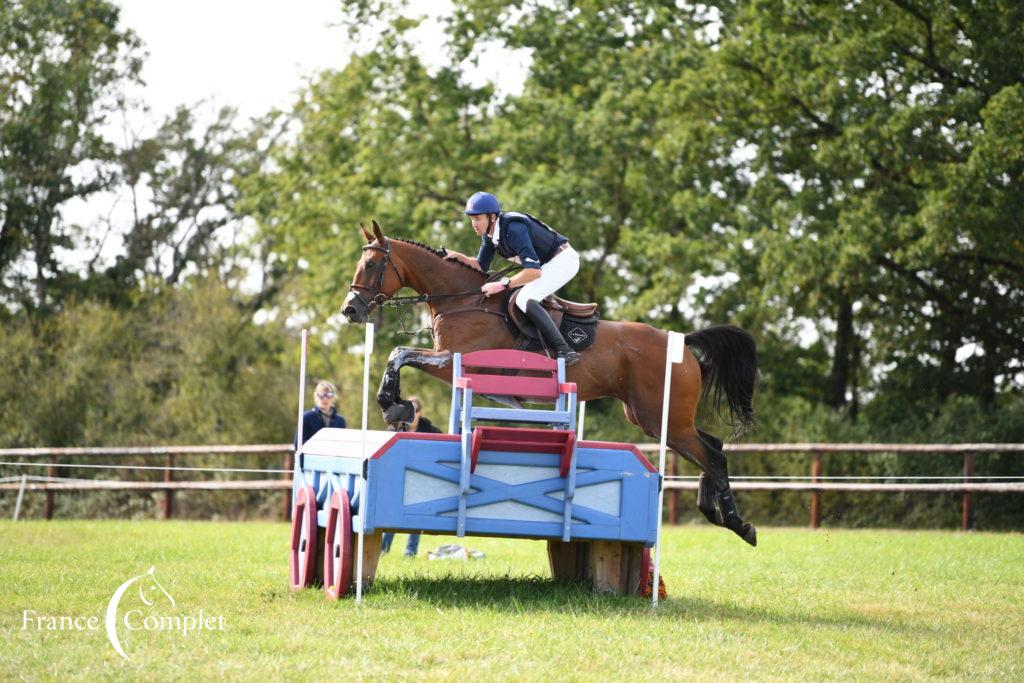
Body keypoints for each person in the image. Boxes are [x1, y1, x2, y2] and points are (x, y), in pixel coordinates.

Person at [444, 191, 581, 365]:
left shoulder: (514, 229)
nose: (474, 224)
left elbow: (534, 272)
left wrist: (503, 284)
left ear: (492, 217)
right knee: (520, 296)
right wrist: (460, 257)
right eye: (472, 219)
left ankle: (565, 350)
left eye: (478, 219)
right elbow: (480, 266)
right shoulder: (490, 235)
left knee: (525, 299)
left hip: (563, 261)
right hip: (546, 265)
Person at [380, 396, 439, 557]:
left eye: (416, 410)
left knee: (416, 513)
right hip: (397, 478)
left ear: (421, 412)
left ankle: (410, 551)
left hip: (421, 478)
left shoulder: (430, 430)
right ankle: (384, 549)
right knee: (394, 513)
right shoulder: (394, 429)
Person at [295, 381, 346, 446]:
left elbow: (342, 445)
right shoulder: (306, 417)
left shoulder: (340, 421)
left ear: (333, 397)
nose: (325, 398)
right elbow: (298, 445)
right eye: (321, 395)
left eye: (329, 395)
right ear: (316, 397)